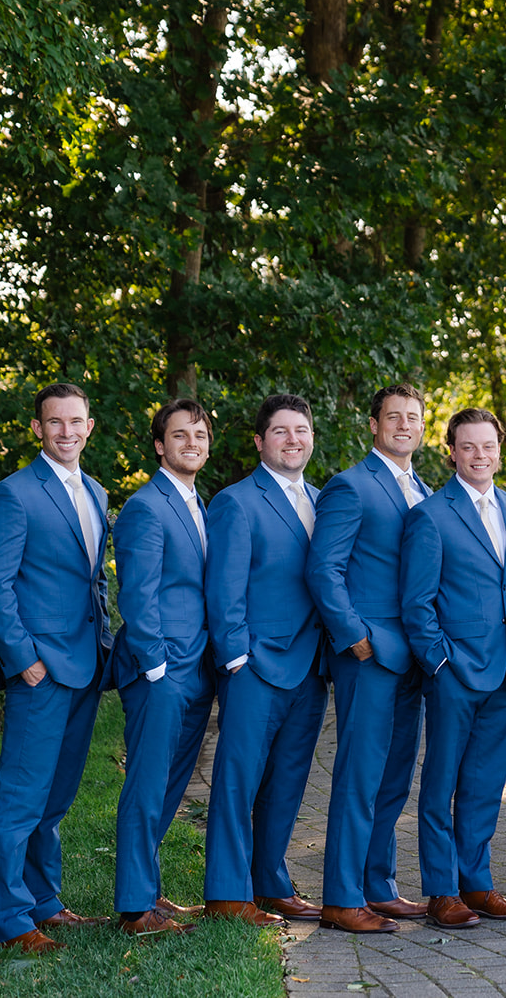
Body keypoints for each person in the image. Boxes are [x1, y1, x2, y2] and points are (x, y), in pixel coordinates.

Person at [0, 383, 114, 952]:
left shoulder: (98, 492)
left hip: (86, 664)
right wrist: (23, 660)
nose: (66, 432)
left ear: (89, 426)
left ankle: (45, 902)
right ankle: (10, 920)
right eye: (54, 423)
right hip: (40, 669)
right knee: (21, 797)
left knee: (56, 797)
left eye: (75, 421)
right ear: (37, 429)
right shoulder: (13, 495)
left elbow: (93, 579)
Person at [399, 408, 506, 929]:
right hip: (455, 671)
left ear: (500, 450)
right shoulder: (431, 516)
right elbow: (417, 603)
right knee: (441, 783)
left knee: (484, 783)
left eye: (488, 446)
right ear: (451, 452)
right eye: (469, 447)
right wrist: (440, 662)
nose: (480, 456)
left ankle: (477, 884)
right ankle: (441, 890)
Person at [202, 394, 329, 926]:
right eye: (281, 431)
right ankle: (228, 894)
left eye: (301, 430)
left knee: (289, 779)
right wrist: (235, 659)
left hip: (311, 664)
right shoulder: (237, 501)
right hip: (254, 665)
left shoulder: (325, 500)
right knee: (238, 779)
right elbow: (224, 587)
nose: (293, 439)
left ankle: (270, 882)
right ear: (260, 441)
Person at [312, 384, 432, 933]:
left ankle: (377, 885)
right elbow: (323, 570)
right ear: (374, 424)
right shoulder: (350, 487)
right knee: (359, 774)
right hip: (369, 654)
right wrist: (354, 636)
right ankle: (340, 896)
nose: (404, 425)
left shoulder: (427, 490)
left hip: (414, 656)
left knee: (393, 777)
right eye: (394, 417)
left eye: (413, 418)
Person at [111, 399, 216, 936]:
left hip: (197, 666)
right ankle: (134, 909)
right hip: (161, 671)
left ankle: (148, 889)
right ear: (159, 445)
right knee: (148, 785)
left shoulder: (199, 503)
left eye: (199, 434)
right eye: (180, 436)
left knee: (172, 785)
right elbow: (138, 593)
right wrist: (155, 667)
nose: (191, 443)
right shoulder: (146, 507)